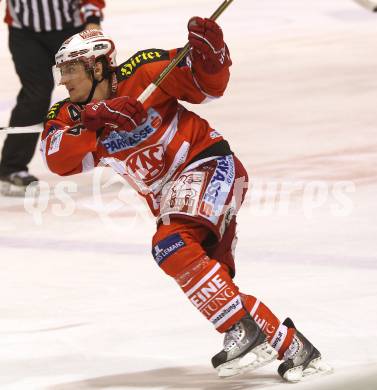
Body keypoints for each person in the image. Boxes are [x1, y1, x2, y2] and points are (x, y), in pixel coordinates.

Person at [40, 20, 331, 381]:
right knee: (216, 284)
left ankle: (245, 335)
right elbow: (56, 158)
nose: (64, 81)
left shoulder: (144, 70)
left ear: (98, 66)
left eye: (71, 70)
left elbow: (208, 85)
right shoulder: (68, 113)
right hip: (174, 199)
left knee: (170, 244)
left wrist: (212, 57)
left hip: (209, 164)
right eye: (61, 71)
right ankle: (296, 348)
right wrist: (93, 120)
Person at [0, 0, 106, 196]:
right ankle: (12, 167)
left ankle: (123, 145)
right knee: (36, 94)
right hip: (25, 33)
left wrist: (92, 17)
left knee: (91, 86)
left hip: (70, 31)